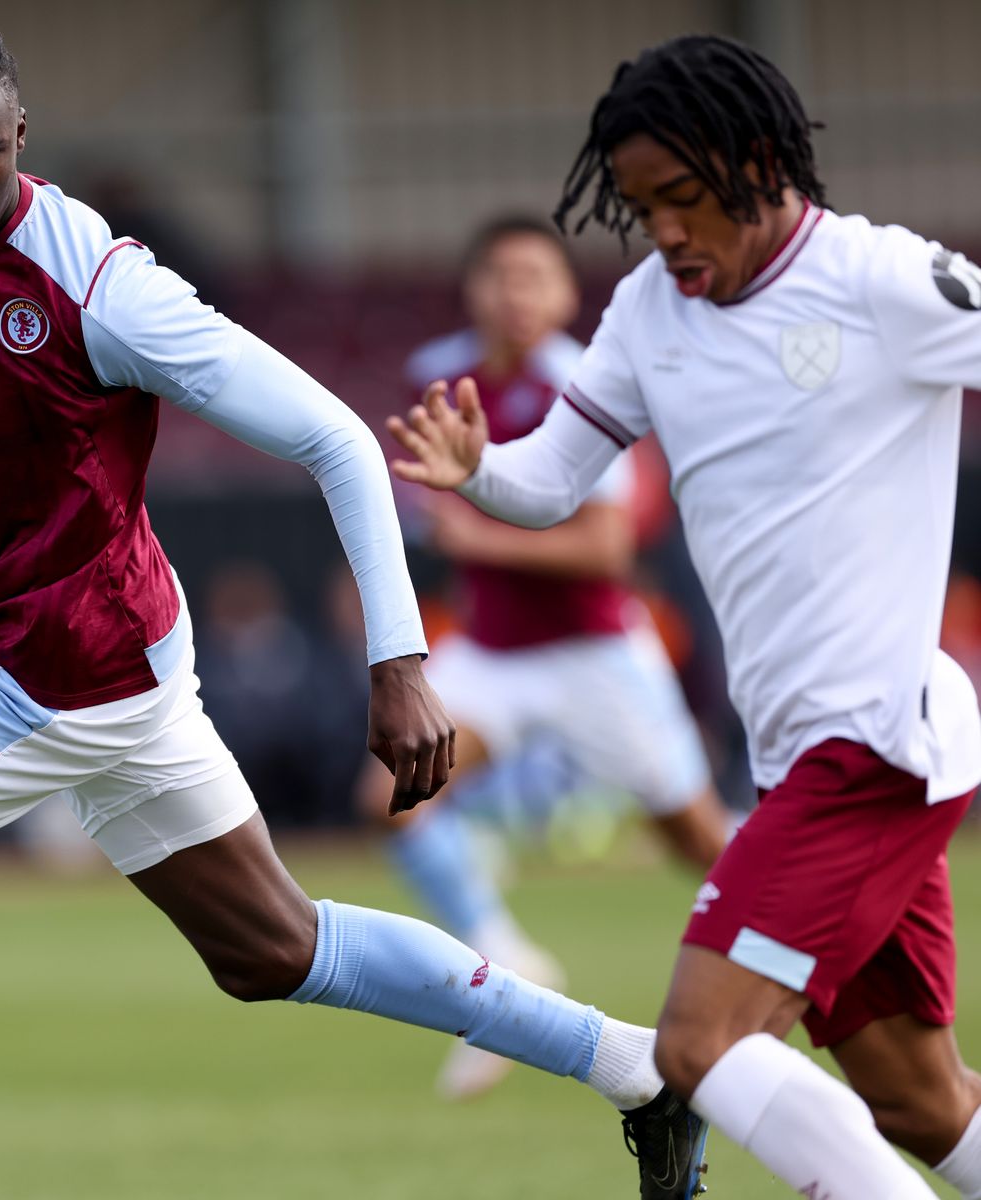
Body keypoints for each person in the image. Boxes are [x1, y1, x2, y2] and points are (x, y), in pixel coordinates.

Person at [0, 19, 704, 1200]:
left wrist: (399, 660)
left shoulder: (101, 285)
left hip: (60, 670)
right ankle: (632, 1065)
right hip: (122, 658)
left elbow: (337, 438)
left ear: (23, 136)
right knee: (273, 948)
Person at [389, 33, 981, 1198]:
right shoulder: (651, 310)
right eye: (639, 204)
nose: (661, 230)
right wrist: (474, 470)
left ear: (761, 164)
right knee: (916, 1096)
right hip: (810, 756)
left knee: (698, 1046)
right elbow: (553, 479)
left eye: (684, 199)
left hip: (873, 749)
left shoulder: (882, 280)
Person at [366, 216, 732, 1100]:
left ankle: (821, 948)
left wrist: (477, 535)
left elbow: (607, 550)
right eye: (498, 274)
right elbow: (421, 508)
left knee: (701, 844)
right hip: (491, 653)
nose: (514, 293)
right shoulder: (438, 378)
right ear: (471, 288)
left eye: (534, 276)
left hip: (596, 655)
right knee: (392, 792)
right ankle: (507, 965)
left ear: (568, 295)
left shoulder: (580, 382)